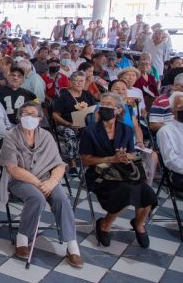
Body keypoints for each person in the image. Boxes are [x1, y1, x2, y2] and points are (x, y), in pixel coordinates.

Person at [0, 102, 83, 267]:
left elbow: (59, 164)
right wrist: (39, 184)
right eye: (25, 114)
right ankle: (22, 237)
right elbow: (13, 168)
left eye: (33, 115)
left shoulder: (46, 136)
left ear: (40, 118)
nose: (29, 118)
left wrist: (52, 182)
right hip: (20, 180)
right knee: (37, 198)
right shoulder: (11, 136)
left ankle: (72, 245)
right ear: (19, 117)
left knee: (61, 199)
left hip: (47, 178)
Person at [80, 93, 157, 249]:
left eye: (109, 105)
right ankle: (105, 223)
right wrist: (111, 159)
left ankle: (138, 223)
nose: (105, 107)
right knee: (127, 191)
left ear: (119, 110)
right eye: (102, 104)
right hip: (99, 174)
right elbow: (85, 160)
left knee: (148, 194)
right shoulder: (90, 131)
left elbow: (132, 153)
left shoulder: (126, 129)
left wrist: (126, 157)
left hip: (123, 171)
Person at [52, 71, 96, 168]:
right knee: (70, 132)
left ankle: (91, 158)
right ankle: (73, 162)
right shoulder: (63, 97)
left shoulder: (87, 94)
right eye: (76, 81)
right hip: (66, 125)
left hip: (86, 123)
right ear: (71, 82)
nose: (79, 83)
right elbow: (55, 115)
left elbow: (95, 109)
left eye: (82, 81)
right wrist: (68, 124)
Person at [157, 92, 183, 188]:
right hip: (179, 174)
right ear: (172, 111)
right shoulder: (165, 131)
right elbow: (170, 161)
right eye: (181, 107)